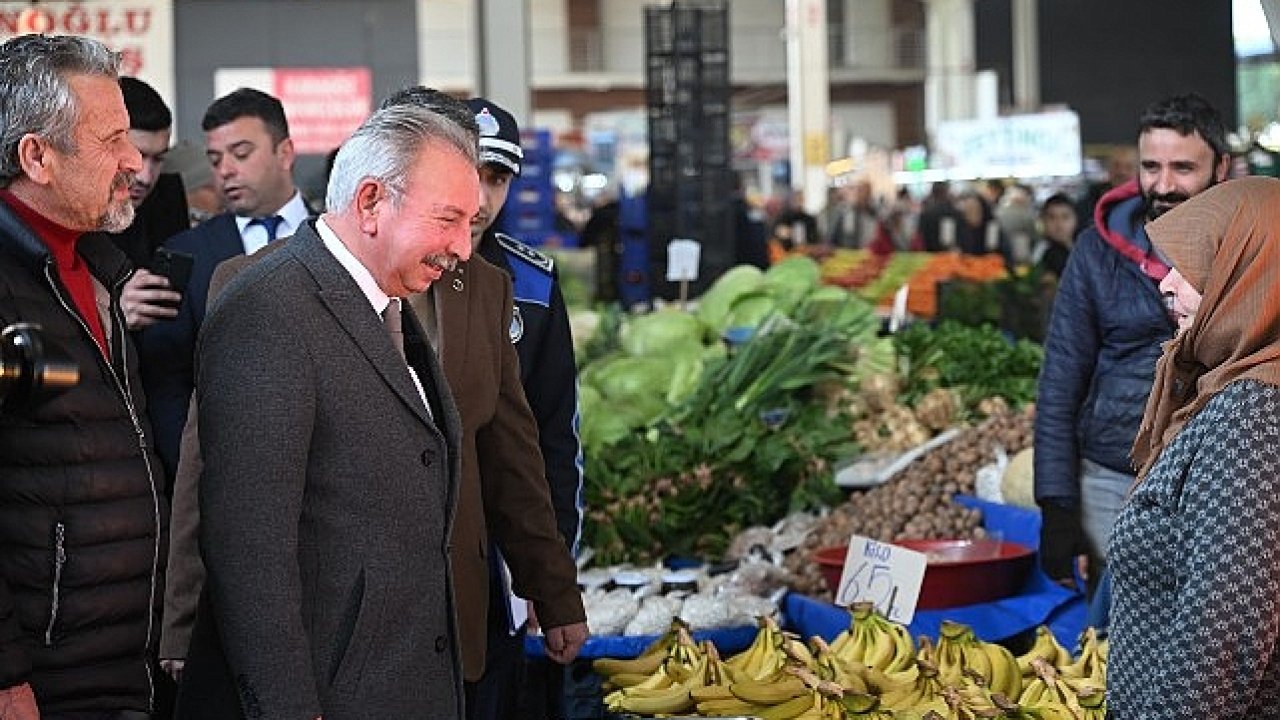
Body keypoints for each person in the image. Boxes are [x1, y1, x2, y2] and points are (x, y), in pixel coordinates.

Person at [180, 102, 479, 719]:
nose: (464, 248)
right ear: (371, 202)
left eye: (470, 223)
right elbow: (248, 548)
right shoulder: (267, 311)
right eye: (449, 219)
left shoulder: (390, 306)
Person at [0, 34, 164, 719]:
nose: (134, 163)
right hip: (42, 683)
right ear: (36, 155)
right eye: (112, 139)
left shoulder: (97, 268)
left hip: (119, 665)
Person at [1033, 93, 1230, 602]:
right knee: (1121, 631)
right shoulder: (1096, 251)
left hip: (1221, 485)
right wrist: (1055, 504)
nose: (1164, 185)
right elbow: (1060, 380)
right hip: (1112, 477)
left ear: (1222, 167)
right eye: (1151, 166)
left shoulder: (1250, 247)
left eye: (1183, 167)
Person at [1108, 176, 1280, 718]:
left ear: (1248, 277)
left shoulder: (1252, 412)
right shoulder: (1234, 388)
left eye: (1195, 269)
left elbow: (1224, 629)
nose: (1167, 283)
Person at [464, 96, 586, 720]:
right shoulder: (402, 273)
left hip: (508, 560)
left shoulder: (533, 285)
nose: (482, 198)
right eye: (472, 171)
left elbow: (554, 435)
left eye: (498, 179)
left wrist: (552, 567)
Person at [135, 87, 310, 491]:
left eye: (241, 153)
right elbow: (167, 383)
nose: (225, 170)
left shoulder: (337, 240)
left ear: (284, 153)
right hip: (221, 479)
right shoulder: (185, 254)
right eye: (215, 159)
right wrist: (195, 478)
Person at [108, 76, 190, 269]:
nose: (146, 177)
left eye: (159, 159)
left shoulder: (168, 198)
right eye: (136, 155)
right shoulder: (67, 209)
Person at [1031, 192, 1078, 279]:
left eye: (1065, 217)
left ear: (1075, 219)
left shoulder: (1086, 250)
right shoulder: (1039, 254)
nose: (1059, 224)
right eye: (1052, 217)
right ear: (1043, 221)